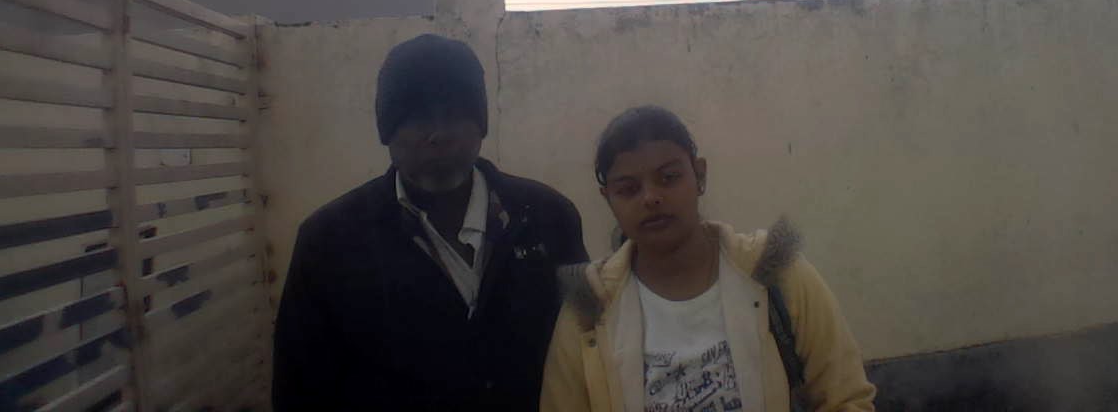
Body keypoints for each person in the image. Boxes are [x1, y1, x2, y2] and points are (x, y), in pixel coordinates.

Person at [273, 34, 589, 411]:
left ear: (481, 124)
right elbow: (299, 390)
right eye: (417, 117)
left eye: (454, 113)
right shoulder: (328, 242)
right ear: (387, 130)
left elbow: (589, 338)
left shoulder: (548, 217)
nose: (438, 134)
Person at [541, 105, 876, 412]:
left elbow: (847, 399)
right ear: (608, 199)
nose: (651, 197)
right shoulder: (589, 304)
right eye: (628, 189)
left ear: (699, 175)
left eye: (669, 178)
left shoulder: (774, 269)